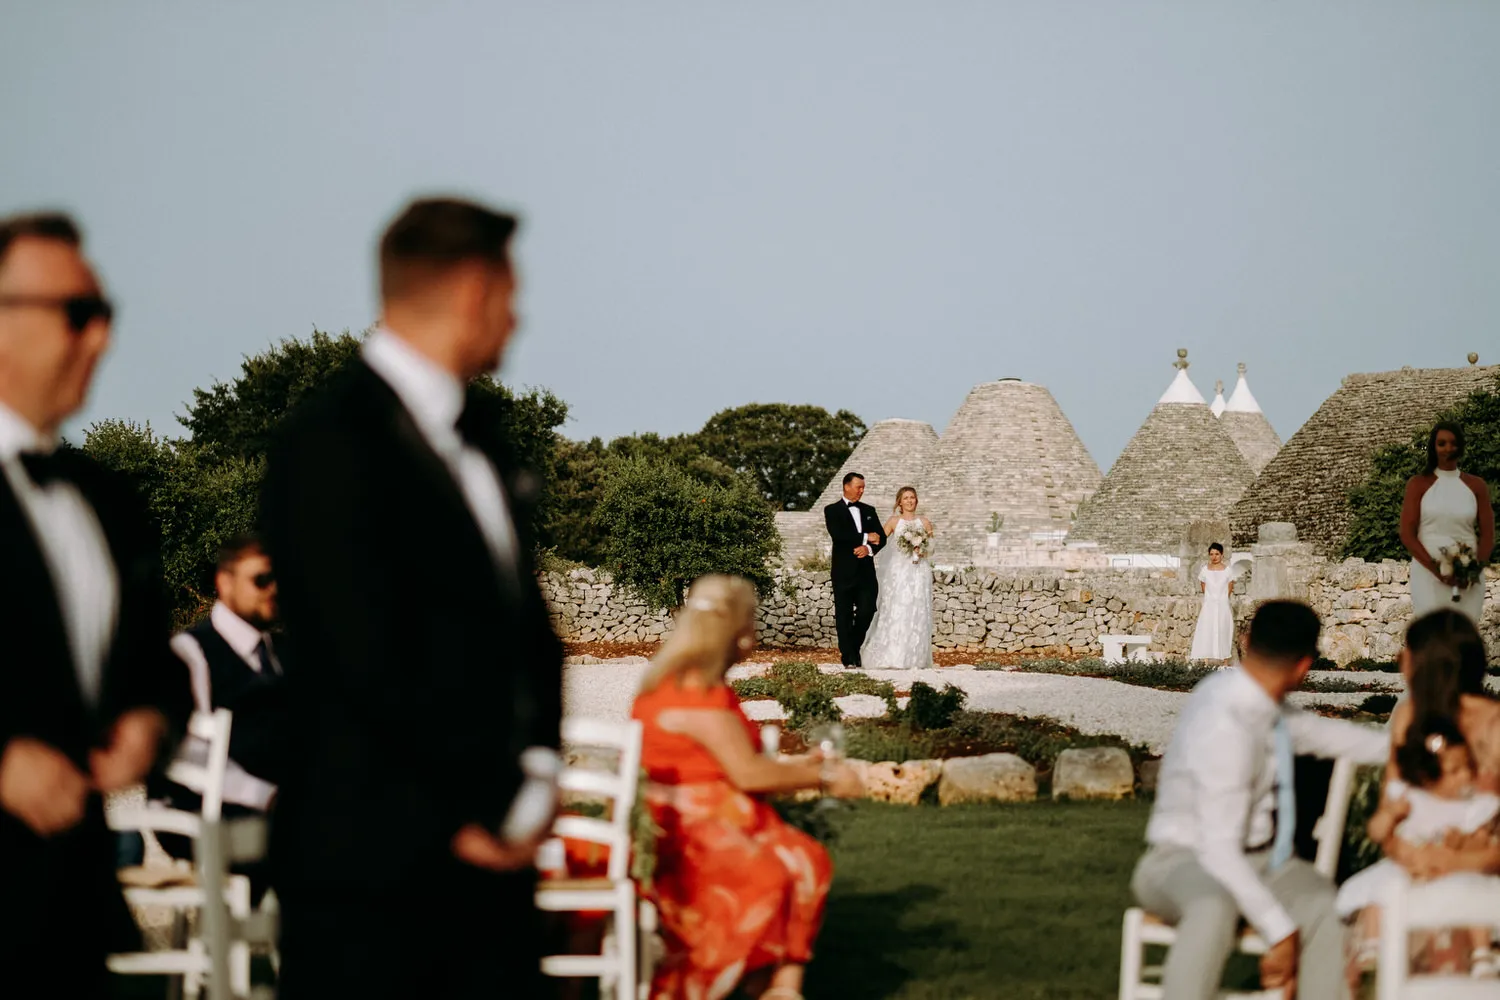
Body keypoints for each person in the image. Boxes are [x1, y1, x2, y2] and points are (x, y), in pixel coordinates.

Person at [260, 197, 564, 998]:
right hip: (370, 870)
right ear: (473, 290)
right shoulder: (327, 441)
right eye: (511, 293)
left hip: (493, 874)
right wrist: (462, 809)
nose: (519, 315)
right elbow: (355, 649)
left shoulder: (485, 439)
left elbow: (521, 632)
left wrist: (533, 777)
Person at [0, 211, 190, 997]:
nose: (100, 341)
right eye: (77, 315)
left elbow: (156, 669)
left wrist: (148, 721)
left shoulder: (108, 501)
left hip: (70, 914)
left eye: (105, 316)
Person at [1131, 600, 1388, 1000]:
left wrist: (1414, 746)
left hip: (1258, 861)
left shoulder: (1255, 703)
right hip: (1181, 860)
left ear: (1247, 642)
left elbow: (1321, 735)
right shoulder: (1226, 724)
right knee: (1212, 907)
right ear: (1305, 667)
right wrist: (1280, 931)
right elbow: (1218, 850)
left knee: (1322, 902)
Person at [632, 575, 865, 1000]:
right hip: (687, 831)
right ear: (738, 635)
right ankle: (725, 984)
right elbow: (749, 774)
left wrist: (798, 768)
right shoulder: (693, 693)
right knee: (772, 872)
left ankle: (777, 987)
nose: (755, 638)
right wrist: (826, 776)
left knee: (801, 858)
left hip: (709, 818)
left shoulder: (688, 684)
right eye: (751, 625)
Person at [1342, 609, 1500, 985]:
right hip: (1415, 861)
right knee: (1384, 904)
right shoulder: (1409, 717)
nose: (1400, 661)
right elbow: (1390, 814)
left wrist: (1451, 861)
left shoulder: (1495, 725)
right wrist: (1411, 856)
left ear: (1428, 664)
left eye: (1407, 652)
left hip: (1483, 869)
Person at [150, 534, 286, 902]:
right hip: (195, 810)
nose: (273, 589)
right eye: (261, 579)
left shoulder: (276, 656)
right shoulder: (190, 652)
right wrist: (268, 795)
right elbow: (183, 753)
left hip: (270, 808)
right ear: (224, 582)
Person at [1336, 715, 1499, 985]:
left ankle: (1481, 954)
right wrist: (1389, 816)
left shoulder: (1469, 807)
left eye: (1467, 767)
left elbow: (1482, 842)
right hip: (1409, 868)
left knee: (1472, 890)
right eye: (1455, 771)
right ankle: (1373, 950)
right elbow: (1377, 832)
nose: (1467, 776)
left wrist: (1462, 843)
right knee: (1381, 894)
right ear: (1427, 777)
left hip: (1450, 869)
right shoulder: (1411, 800)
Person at [1400, 421, 1493, 624]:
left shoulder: (1476, 485)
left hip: (1467, 575)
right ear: (1434, 447)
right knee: (1433, 634)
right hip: (1428, 573)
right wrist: (1436, 570)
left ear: (1460, 446)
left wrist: (1473, 570)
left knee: (1464, 634)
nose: (1448, 448)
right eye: (1442, 443)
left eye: (1453, 443)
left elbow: (1487, 534)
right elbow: (1407, 533)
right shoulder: (1418, 484)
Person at [860, 485, 934, 670]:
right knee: (897, 608)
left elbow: (932, 546)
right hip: (899, 571)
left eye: (912, 497)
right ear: (899, 502)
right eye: (906, 498)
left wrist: (921, 549)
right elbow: (879, 540)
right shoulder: (894, 521)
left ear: (916, 500)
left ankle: (914, 657)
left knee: (917, 609)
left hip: (918, 571)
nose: (910, 501)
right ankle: (892, 655)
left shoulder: (924, 522)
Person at [823, 472, 887, 668]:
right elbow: (839, 535)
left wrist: (868, 549)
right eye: (858, 487)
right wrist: (867, 538)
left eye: (863, 487)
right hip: (843, 571)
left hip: (866, 571)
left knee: (868, 609)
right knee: (843, 614)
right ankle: (849, 656)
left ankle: (854, 646)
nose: (862, 491)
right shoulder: (832, 510)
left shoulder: (869, 510)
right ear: (846, 486)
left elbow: (882, 537)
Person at [1189, 542, 1235, 664]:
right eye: (1211, 554)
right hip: (1209, 605)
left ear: (1222, 555)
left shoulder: (1228, 571)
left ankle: (1225, 660)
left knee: (1224, 629)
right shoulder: (1204, 570)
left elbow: (1229, 588)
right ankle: (1206, 660)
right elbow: (1203, 587)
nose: (1214, 557)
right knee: (1206, 629)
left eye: (1217, 554)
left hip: (1223, 605)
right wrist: (1211, 599)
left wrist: (1222, 599)